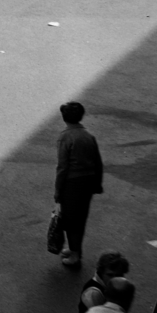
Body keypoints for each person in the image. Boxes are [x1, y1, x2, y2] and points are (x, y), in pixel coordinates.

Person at [54, 101, 104, 270]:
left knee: (71, 220)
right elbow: (98, 162)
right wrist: (97, 183)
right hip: (88, 182)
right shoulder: (89, 136)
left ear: (64, 117)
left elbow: (62, 167)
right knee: (79, 218)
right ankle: (75, 249)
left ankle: (75, 255)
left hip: (72, 183)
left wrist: (58, 190)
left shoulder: (66, 137)